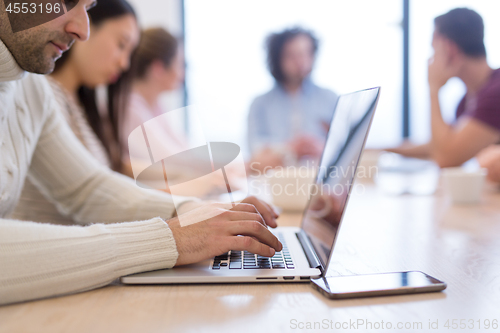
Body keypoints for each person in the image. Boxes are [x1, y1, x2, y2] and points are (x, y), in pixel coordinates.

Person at [0, 0, 282, 305]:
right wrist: (170, 239)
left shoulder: (31, 89)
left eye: (88, 6)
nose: (82, 30)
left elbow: (87, 188)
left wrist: (190, 212)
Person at [11, 0, 140, 224]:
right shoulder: (43, 93)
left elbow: (97, 186)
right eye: (121, 44)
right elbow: (90, 196)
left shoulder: (80, 104)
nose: (124, 64)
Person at [387, 8, 500, 167]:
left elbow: (444, 157)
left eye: (434, 49)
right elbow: (442, 144)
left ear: (449, 49)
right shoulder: (467, 100)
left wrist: (433, 88)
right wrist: (383, 149)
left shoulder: (496, 94)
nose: (431, 58)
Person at [247, 27, 338, 172]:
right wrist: (290, 149)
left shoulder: (330, 98)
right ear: (277, 58)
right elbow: (255, 157)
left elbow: (343, 149)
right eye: (291, 55)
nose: (300, 61)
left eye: (305, 54)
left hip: (319, 181)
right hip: (274, 183)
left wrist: (322, 148)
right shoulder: (260, 104)